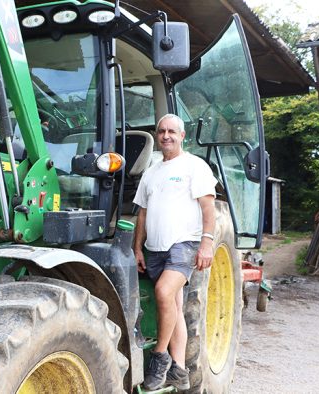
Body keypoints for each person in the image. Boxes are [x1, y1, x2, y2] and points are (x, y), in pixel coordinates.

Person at [133, 113, 217, 391]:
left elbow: (208, 209)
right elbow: (142, 215)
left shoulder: (195, 166)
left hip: (185, 244)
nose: (166, 135)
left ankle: (159, 358)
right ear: (157, 136)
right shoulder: (151, 171)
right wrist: (137, 249)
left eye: (172, 131)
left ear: (182, 136)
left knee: (163, 293)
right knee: (176, 307)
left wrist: (207, 243)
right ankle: (179, 369)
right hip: (154, 248)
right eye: (161, 131)